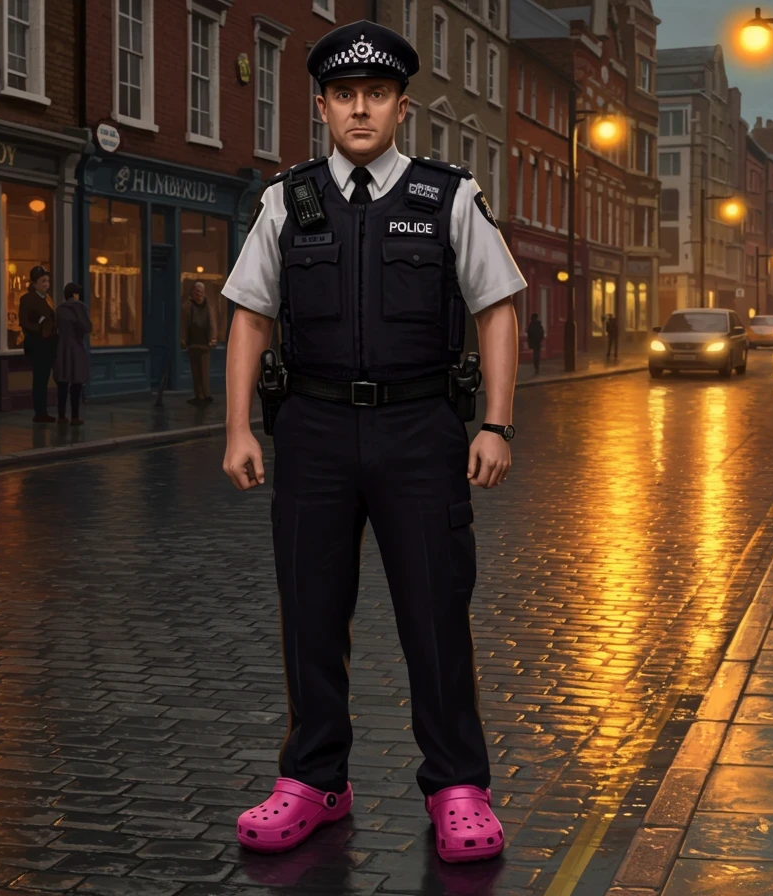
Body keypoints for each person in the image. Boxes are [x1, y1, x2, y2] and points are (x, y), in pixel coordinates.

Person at [219, 19, 525, 864]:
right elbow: (250, 315)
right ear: (321, 106)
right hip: (312, 432)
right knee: (310, 613)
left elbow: (496, 308)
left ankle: (459, 788)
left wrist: (495, 422)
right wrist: (239, 425)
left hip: (420, 429)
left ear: (399, 106)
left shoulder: (445, 196)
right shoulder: (290, 199)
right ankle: (313, 782)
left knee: (435, 613)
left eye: (377, 94)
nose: (361, 109)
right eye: (345, 95)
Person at [18, 266, 58, 423]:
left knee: (45, 378)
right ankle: (40, 413)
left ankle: (43, 411)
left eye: (47, 281)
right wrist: (40, 326)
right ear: (34, 283)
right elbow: (24, 321)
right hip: (38, 344)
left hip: (49, 343)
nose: (47, 284)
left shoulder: (47, 298)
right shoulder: (27, 299)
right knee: (40, 379)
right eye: (43, 281)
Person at [54, 282, 92, 425]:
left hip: (61, 348)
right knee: (76, 383)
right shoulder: (80, 307)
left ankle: (61, 416)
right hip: (76, 347)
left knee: (62, 384)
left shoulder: (59, 309)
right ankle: (75, 417)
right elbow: (87, 327)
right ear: (75, 294)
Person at [181, 280, 220, 405]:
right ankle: (199, 396)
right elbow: (183, 325)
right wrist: (183, 340)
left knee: (204, 371)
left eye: (201, 292)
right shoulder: (187, 306)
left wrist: (213, 338)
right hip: (192, 343)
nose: (199, 294)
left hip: (205, 343)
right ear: (193, 292)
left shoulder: (209, 306)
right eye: (197, 291)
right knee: (195, 372)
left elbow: (213, 323)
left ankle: (206, 394)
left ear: (204, 293)